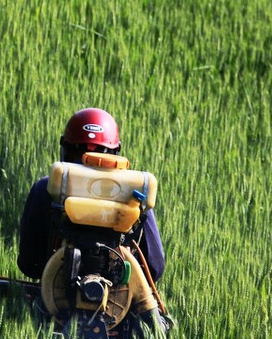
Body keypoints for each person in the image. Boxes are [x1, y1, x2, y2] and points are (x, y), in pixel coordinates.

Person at [17, 107, 165, 287]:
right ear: (114, 153)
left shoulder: (45, 188)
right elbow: (154, 268)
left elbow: (29, 264)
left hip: (54, 297)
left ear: (66, 149)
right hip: (119, 304)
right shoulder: (136, 191)